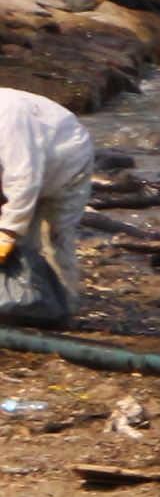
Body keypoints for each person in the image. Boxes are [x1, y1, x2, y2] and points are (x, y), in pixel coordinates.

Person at [0, 88, 96, 322]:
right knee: (23, 245)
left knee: (54, 236)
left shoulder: (9, 116)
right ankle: (19, 304)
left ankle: (62, 307)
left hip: (66, 165)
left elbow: (24, 178)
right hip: (15, 169)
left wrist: (7, 232)